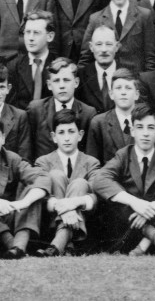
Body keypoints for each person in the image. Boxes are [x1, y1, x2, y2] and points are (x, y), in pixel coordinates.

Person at [89, 102, 155, 256]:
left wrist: (152, 207)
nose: (145, 133)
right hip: (126, 229)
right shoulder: (123, 155)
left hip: (154, 221)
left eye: (150, 128)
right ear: (132, 130)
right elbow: (100, 180)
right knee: (117, 193)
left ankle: (145, 245)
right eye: (140, 127)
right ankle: (153, 240)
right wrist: (135, 203)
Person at [32, 108, 100, 257]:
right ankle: (67, 243)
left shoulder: (91, 163)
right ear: (54, 137)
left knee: (80, 183)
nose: (67, 138)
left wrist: (74, 202)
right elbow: (41, 197)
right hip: (50, 226)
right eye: (61, 133)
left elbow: (96, 195)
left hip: (85, 226)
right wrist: (65, 208)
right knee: (55, 175)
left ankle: (58, 244)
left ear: (80, 135)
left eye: (71, 131)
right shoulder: (42, 162)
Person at [81, 0, 155, 73]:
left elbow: (151, 59)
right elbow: (85, 59)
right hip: (107, 81)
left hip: (135, 82)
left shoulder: (144, 16)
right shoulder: (96, 19)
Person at [0, 119, 49, 259]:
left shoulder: (11, 159)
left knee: (33, 191)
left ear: (3, 138)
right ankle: (12, 245)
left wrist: (24, 202)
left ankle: (19, 247)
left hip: (8, 217)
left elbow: (42, 177)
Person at [27, 59, 95, 160]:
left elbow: (89, 155)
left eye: (66, 80)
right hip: (42, 172)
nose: (62, 86)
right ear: (49, 85)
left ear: (76, 82)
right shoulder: (36, 110)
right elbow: (28, 151)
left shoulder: (88, 113)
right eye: (56, 81)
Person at [86, 67, 140, 163]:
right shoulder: (99, 123)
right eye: (118, 88)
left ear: (136, 94)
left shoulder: (145, 121)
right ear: (111, 94)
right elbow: (93, 164)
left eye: (128, 88)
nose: (123, 92)